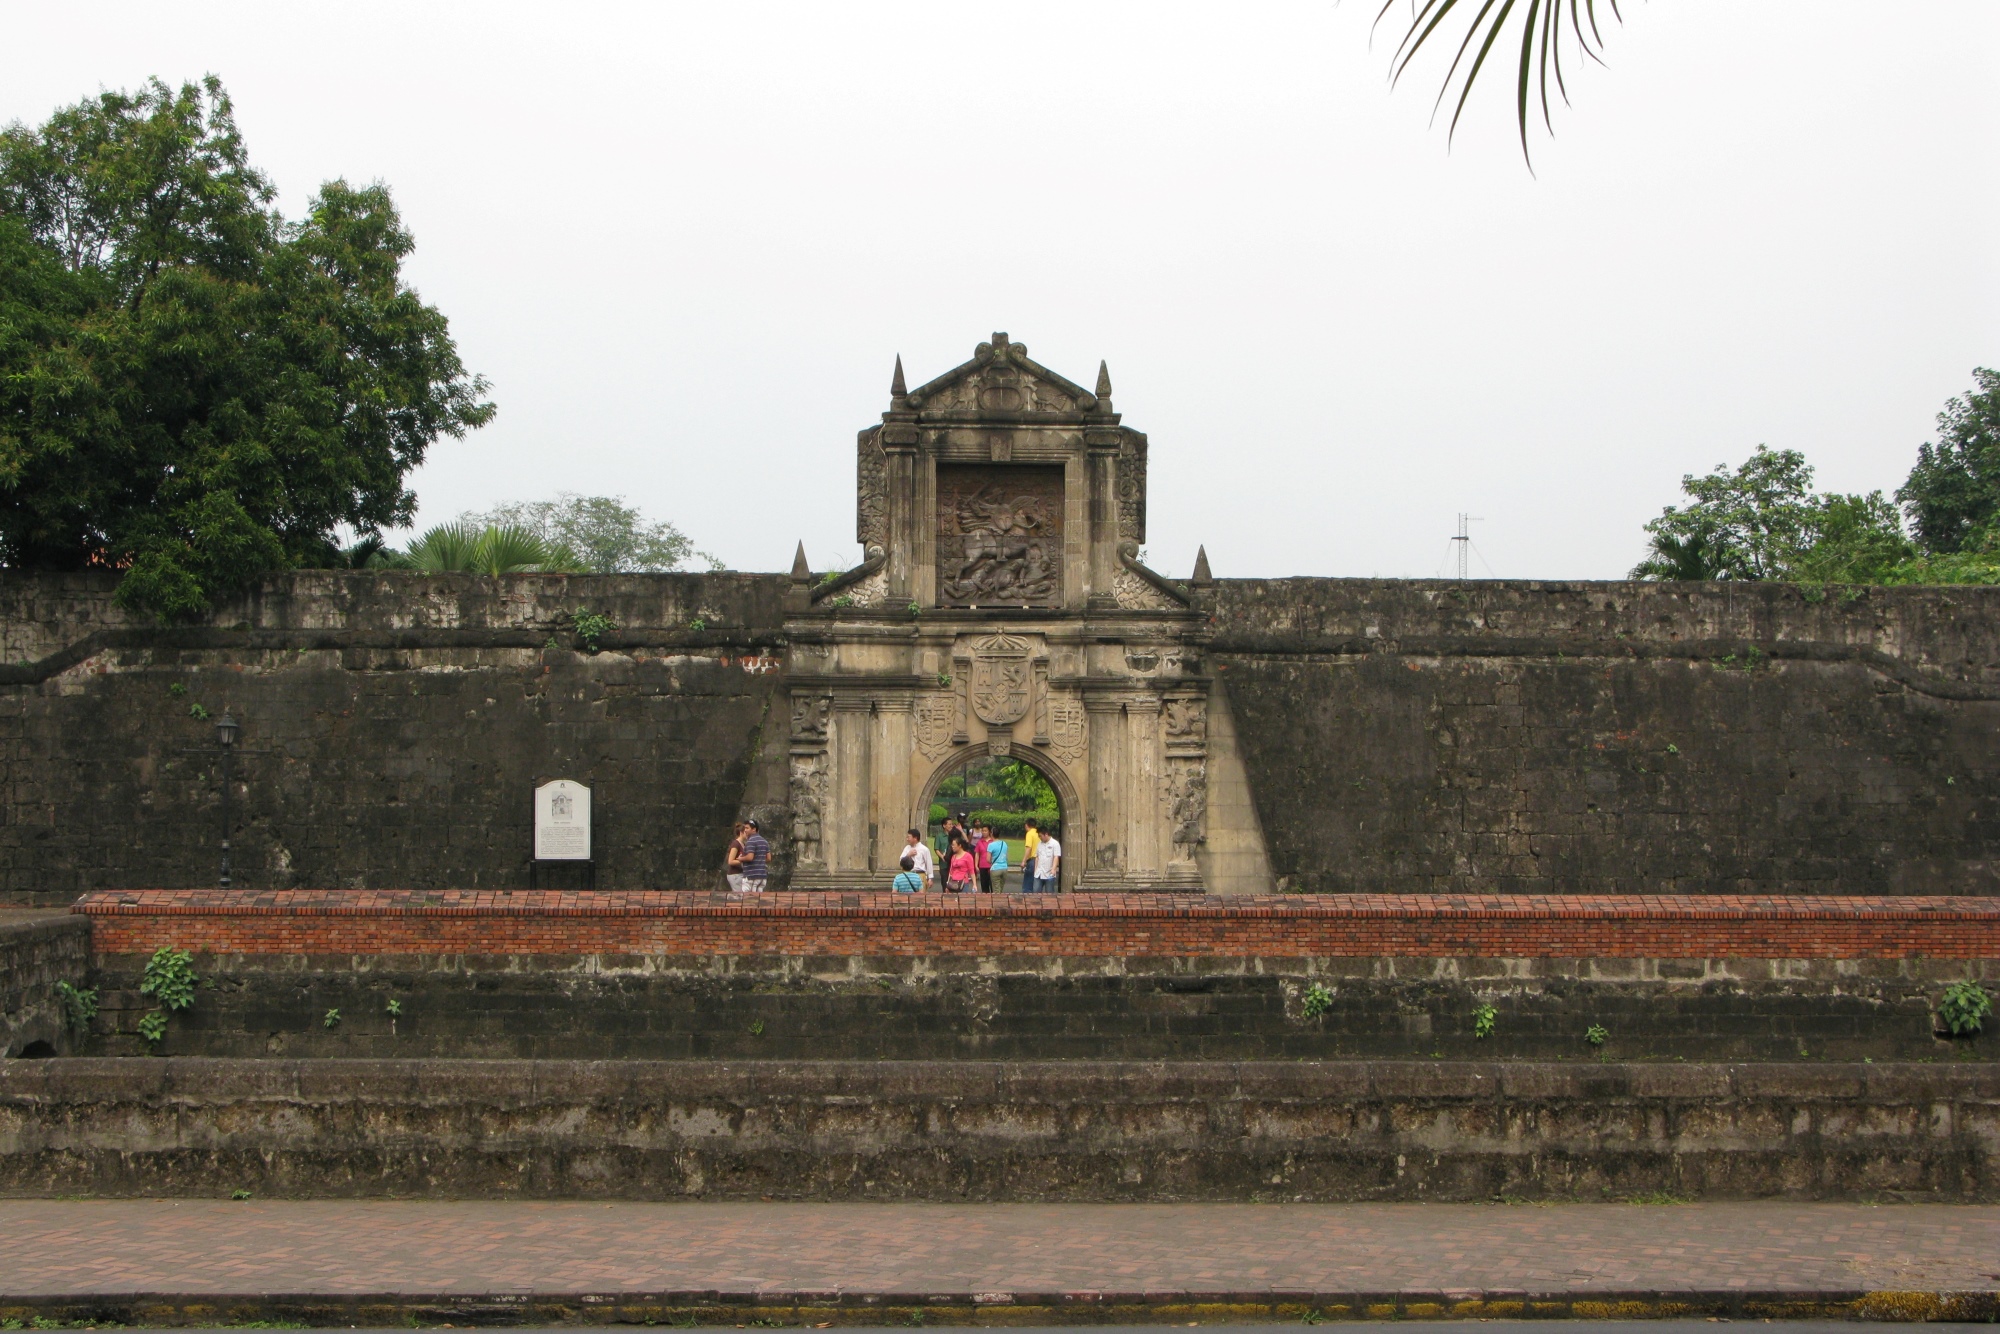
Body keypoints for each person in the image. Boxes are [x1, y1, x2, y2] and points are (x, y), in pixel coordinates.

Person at [738, 818, 770, 891]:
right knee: (758, 900)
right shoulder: (764, 841)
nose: (745, 830)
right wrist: (759, 861)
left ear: (754, 829)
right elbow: (768, 858)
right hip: (762, 876)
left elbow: (750, 857)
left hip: (751, 876)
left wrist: (741, 858)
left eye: (747, 828)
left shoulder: (751, 841)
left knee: (747, 900)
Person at [1033, 827, 1061, 894]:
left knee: (1049, 894)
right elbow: (1037, 857)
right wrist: (1035, 870)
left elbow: (1056, 857)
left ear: (1046, 834)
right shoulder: (1039, 844)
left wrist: (1054, 869)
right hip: (1039, 873)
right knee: (1035, 892)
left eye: (1040, 836)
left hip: (1049, 873)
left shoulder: (1055, 843)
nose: (1040, 838)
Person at [724, 822, 749, 893]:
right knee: (738, 895)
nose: (747, 834)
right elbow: (730, 861)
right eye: (745, 832)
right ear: (741, 832)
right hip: (735, 874)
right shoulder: (736, 844)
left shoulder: (743, 844)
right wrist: (743, 860)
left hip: (741, 873)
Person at [1021, 818, 1042, 894]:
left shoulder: (1029, 833)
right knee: (1036, 882)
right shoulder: (1038, 833)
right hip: (1040, 859)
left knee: (1027, 884)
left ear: (1027, 825)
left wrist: (1024, 861)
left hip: (1032, 859)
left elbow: (1029, 848)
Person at [987, 829, 1011, 893]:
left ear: (991, 834)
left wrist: (992, 862)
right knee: (1000, 889)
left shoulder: (991, 845)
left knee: (996, 890)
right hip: (1004, 868)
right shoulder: (1004, 843)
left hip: (995, 868)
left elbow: (988, 859)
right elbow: (1006, 856)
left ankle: (997, 902)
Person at [973, 822, 994, 894]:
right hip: (982, 866)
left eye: (985, 831)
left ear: (989, 832)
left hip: (992, 866)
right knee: (984, 886)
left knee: (992, 885)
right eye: (983, 831)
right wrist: (976, 865)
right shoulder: (979, 842)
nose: (984, 832)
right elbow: (977, 854)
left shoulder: (993, 841)